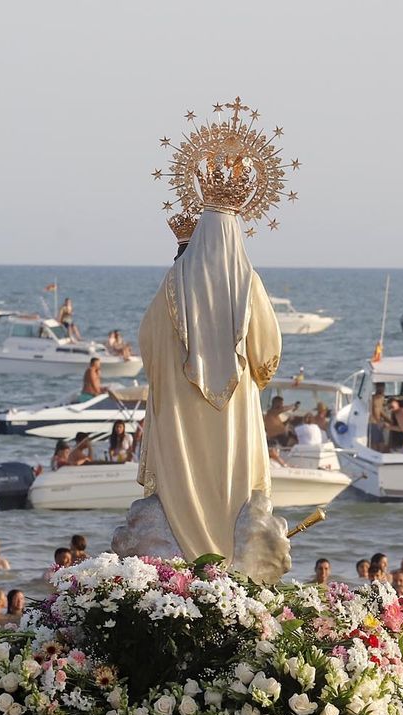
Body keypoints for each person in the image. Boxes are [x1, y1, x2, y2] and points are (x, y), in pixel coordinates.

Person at [120, 184, 289, 583]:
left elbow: (147, 341)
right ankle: (233, 573)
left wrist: (175, 373)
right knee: (237, 489)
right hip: (236, 416)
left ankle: (181, 572)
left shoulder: (173, 284)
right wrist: (252, 379)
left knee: (183, 481)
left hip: (180, 417)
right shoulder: (248, 283)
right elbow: (268, 353)